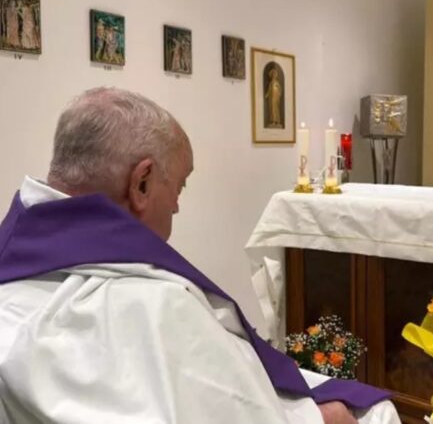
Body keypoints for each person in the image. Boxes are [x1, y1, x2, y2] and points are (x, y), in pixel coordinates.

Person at [0, 88, 400, 424]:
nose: (175, 206)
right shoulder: (156, 303)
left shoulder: (15, 261)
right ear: (140, 183)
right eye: (179, 186)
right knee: (374, 412)